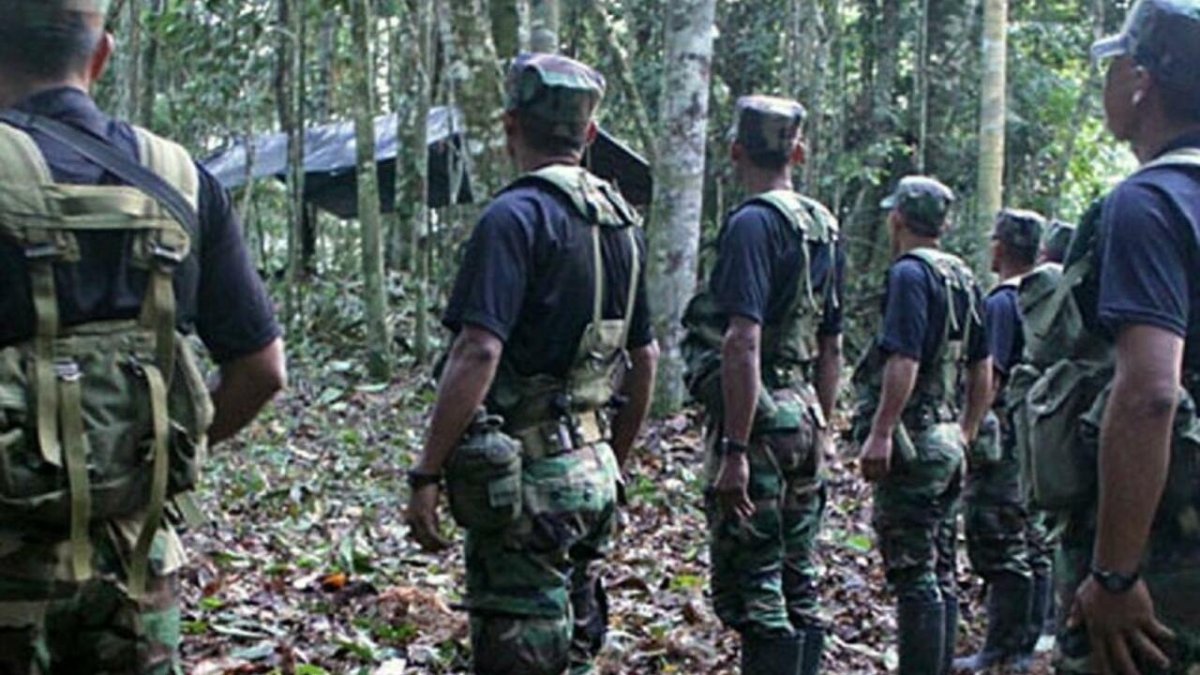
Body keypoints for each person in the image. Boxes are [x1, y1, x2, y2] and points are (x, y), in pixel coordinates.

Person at [0, 1, 286, 672]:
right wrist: (159, 453)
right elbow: (262, 369)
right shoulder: (179, 176)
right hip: (138, 560)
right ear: (102, 55)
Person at [404, 53, 658, 675]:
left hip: (528, 483)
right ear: (589, 133)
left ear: (510, 125)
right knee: (575, 646)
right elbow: (645, 356)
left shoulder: (513, 217)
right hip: (594, 470)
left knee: (518, 646)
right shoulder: (622, 224)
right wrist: (613, 461)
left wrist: (426, 473)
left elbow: (479, 349)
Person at [1054, 1, 1200, 672]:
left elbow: (1148, 393)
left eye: (1116, 65)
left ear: (1141, 81)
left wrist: (1114, 574)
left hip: (1170, 548)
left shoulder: (1149, 202)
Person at [681, 95, 843, 674]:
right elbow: (831, 344)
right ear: (798, 153)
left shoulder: (753, 224)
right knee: (798, 576)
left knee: (757, 587)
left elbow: (742, 339)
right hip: (803, 410)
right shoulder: (823, 227)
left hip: (761, 418)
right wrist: (824, 426)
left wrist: (734, 450)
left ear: (735, 152)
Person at [851, 176, 991, 675]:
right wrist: (967, 429)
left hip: (916, 440)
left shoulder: (910, 274)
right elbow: (983, 365)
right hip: (947, 436)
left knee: (914, 572)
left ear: (897, 219)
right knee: (940, 565)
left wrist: (882, 431)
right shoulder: (962, 276)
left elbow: (904, 357)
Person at [954, 209, 1052, 672]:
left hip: (1004, 437)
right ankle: (1031, 641)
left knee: (997, 537)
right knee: (1032, 541)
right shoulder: (1045, 297)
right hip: (1036, 435)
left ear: (1002, 246)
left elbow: (989, 374)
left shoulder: (1002, 303)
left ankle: (1003, 648)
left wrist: (970, 429)